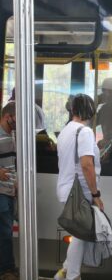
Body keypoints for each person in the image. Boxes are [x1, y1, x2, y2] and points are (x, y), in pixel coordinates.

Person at [54, 94, 104, 280]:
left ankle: (65, 272)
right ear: (90, 111)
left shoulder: (67, 130)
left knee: (79, 233)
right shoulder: (84, 132)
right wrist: (96, 194)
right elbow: (86, 165)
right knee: (81, 234)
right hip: (79, 191)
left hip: (66, 188)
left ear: (73, 110)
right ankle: (72, 276)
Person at [0, 102, 19, 280]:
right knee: (5, 233)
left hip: (9, 191)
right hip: (1, 193)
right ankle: (7, 270)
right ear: (8, 117)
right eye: (16, 118)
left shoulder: (11, 134)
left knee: (6, 231)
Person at [97, 78, 112, 149]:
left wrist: (96, 103)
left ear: (108, 92)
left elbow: (91, 123)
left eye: (103, 91)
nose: (102, 94)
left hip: (111, 146)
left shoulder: (105, 109)